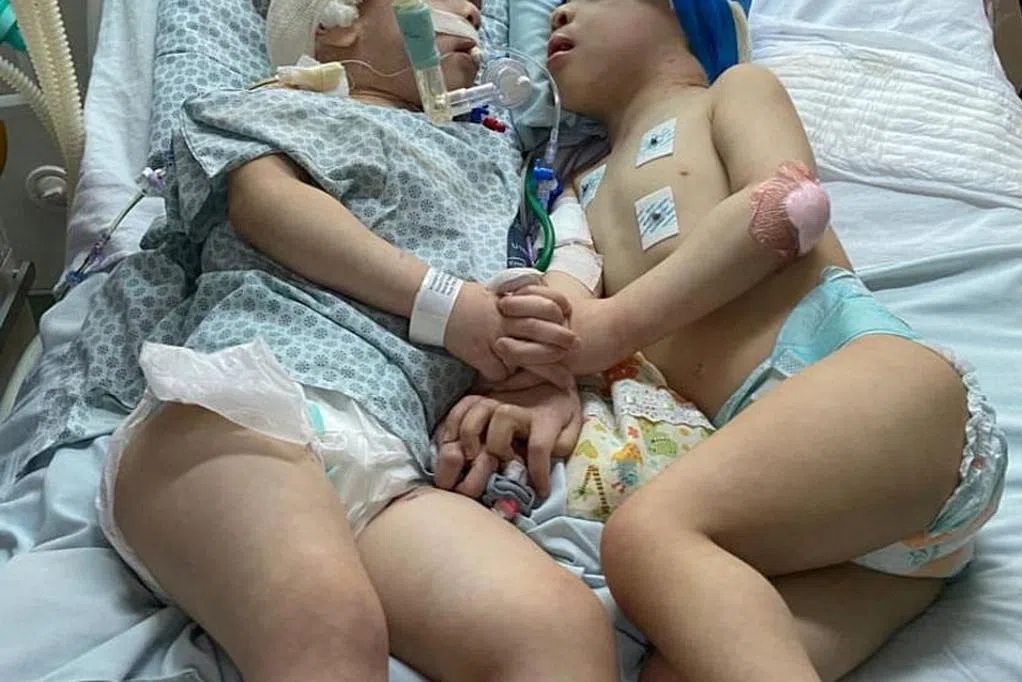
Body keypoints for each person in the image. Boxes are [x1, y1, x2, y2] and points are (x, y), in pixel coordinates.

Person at [445, 1, 1009, 681]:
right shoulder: (573, 188)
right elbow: (569, 304)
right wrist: (534, 376)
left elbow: (789, 205)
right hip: (862, 536)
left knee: (650, 538)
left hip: (879, 389)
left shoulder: (729, 93)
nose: (558, 12)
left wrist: (614, 327)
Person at [70, 1, 626, 681]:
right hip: (243, 410)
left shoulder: (494, 158)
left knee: (560, 629)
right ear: (336, 23)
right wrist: (445, 304)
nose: (475, 12)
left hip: (390, 462)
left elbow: (538, 282)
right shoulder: (277, 106)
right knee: (331, 630)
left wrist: (540, 371)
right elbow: (268, 208)